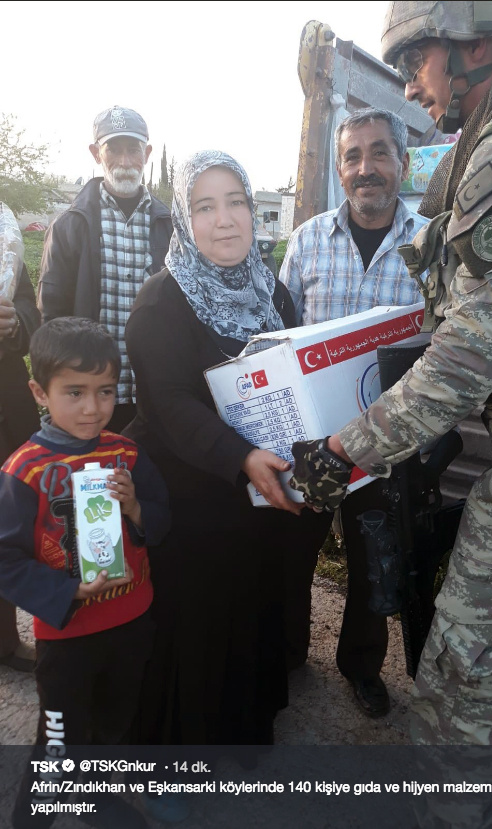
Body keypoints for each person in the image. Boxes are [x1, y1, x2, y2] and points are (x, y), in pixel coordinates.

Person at [289, 0, 492, 823]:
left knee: (455, 693)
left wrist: (344, 450)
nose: (410, 84)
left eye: (417, 61)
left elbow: (465, 360)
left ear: (472, 45)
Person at [124, 150, 332, 751]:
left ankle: (241, 728)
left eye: (236, 201)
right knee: (194, 622)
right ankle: (172, 757)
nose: (225, 220)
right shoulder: (160, 302)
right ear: (185, 223)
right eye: (205, 206)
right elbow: (170, 404)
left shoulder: (274, 293)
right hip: (186, 492)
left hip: (257, 493)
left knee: (249, 605)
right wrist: (240, 456)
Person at [279, 107, 426, 718]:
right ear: (340, 168)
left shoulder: (430, 245)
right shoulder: (307, 239)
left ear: (403, 162)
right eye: (352, 156)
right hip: (314, 443)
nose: (366, 169)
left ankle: (361, 666)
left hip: (386, 446)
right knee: (289, 553)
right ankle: (285, 653)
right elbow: (279, 329)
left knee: (373, 567)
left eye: (379, 153)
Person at [0, 317, 170, 828]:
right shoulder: (24, 471)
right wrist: (69, 589)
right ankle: (38, 814)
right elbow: (5, 559)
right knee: (59, 739)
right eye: (74, 392)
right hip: (68, 634)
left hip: (131, 621)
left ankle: (89, 795)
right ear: (39, 391)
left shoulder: (126, 453)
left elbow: (163, 516)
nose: (93, 408)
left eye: (105, 391)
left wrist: (137, 509)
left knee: (111, 725)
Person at [38, 106, 173, 432]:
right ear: (96, 153)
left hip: (155, 399)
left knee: (147, 481)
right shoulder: (71, 226)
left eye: (134, 150)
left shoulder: (168, 226)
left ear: (148, 153)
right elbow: (52, 317)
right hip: (92, 402)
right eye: (113, 149)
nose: (125, 162)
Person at [0, 226, 41, 672]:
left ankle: (4, 640)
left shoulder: (2, 227)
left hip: (6, 405)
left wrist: (16, 324)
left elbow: (30, 305)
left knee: (10, 522)